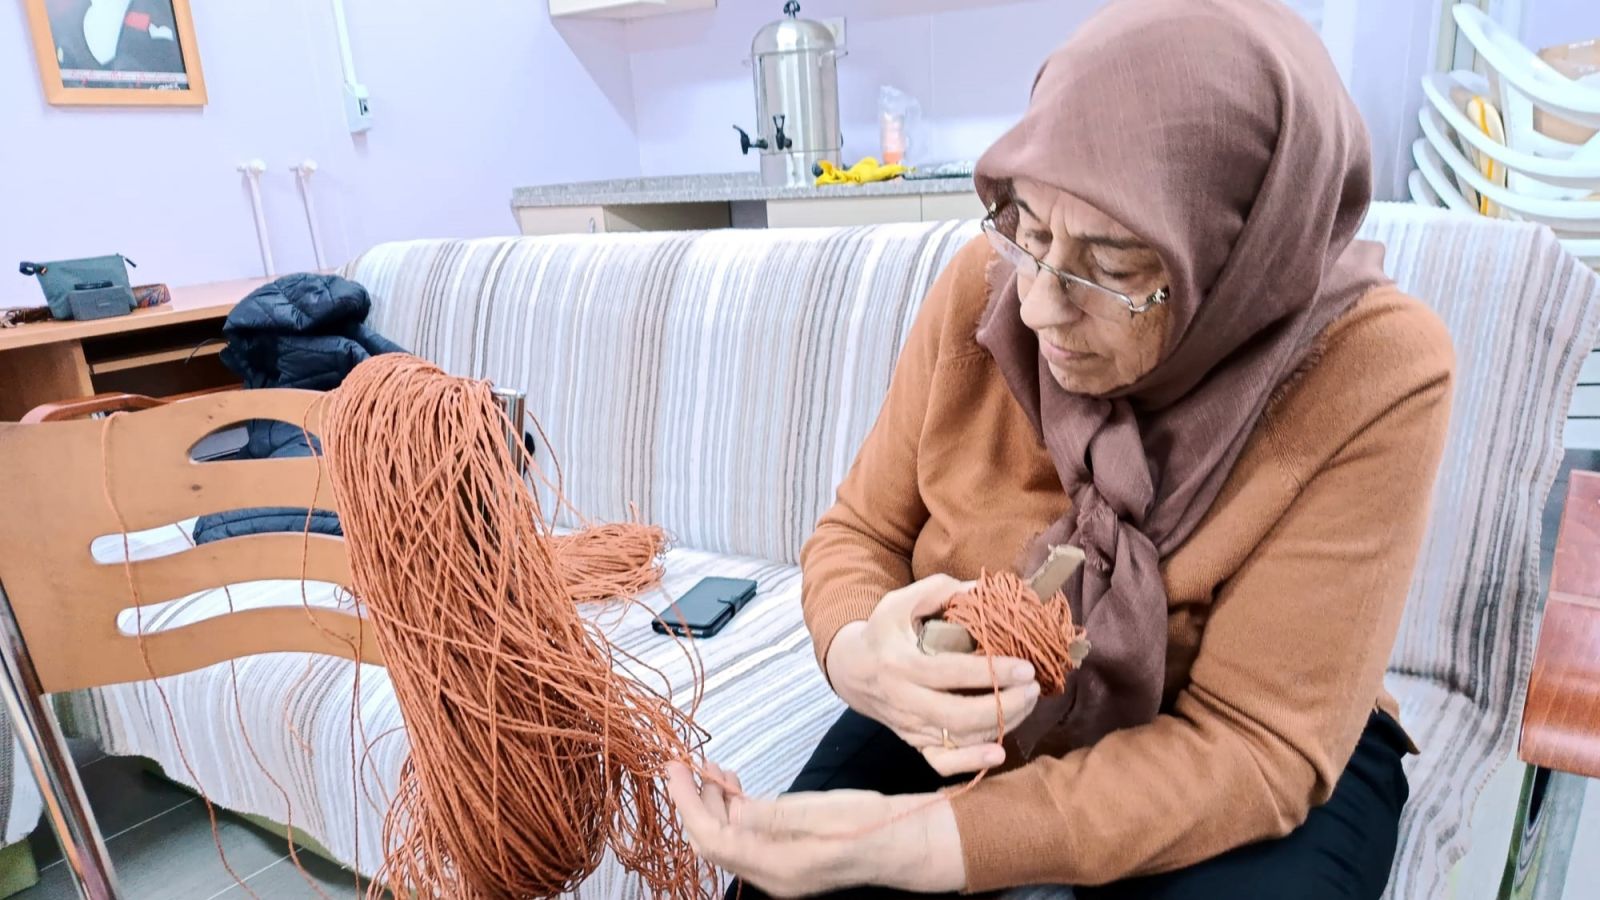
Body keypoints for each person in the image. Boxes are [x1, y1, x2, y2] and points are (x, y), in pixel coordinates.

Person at [665, 0, 1453, 896]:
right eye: (1032, 232)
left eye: (1111, 269)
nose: (1037, 308)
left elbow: (1256, 745)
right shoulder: (985, 289)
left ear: (1241, 261)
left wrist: (920, 842)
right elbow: (859, 533)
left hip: (1223, 745)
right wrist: (861, 656)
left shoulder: (1371, 366)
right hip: (979, 696)